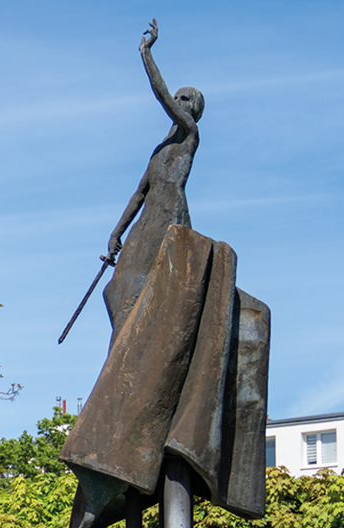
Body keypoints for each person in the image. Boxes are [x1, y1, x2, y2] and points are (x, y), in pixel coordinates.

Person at [101, 18, 203, 341]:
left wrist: (146, 53)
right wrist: (117, 232)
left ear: (194, 110)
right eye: (179, 97)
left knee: (137, 289)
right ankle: (123, 347)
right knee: (116, 289)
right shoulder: (159, 150)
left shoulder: (190, 133)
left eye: (185, 99)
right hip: (147, 219)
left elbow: (161, 96)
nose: (178, 101)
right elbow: (138, 194)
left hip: (170, 217)